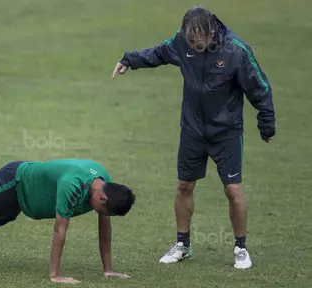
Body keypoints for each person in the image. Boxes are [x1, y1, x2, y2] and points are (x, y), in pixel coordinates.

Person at [112, 6, 275, 269]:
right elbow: (159, 52)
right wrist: (130, 60)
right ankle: (183, 245)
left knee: (233, 190)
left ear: (211, 32)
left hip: (226, 133)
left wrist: (266, 122)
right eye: (188, 40)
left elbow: (260, 87)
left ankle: (241, 248)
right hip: (192, 130)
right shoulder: (182, 40)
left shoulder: (236, 51)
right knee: (183, 187)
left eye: (196, 40)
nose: (191, 45)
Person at [0, 159, 135, 284]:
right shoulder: (72, 185)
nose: (100, 214)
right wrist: (55, 275)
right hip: (14, 183)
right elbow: (59, 230)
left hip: (26, 196)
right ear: (101, 198)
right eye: (102, 211)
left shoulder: (105, 182)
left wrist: (108, 270)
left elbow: (105, 231)